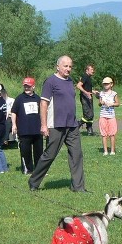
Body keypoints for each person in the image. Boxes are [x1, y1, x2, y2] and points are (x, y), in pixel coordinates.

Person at [28, 56, 87, 193]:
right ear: (58, 66)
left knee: (76, 154)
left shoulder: (70, 81)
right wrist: (43, 125)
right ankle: (34, 181)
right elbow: (43, 103)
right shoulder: (50, 81)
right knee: (50, 155)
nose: (68, 69)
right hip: (55, 124)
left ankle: (78, 187)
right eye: (65, 66)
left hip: (71, 125)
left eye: (70, 66)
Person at [10, 77, 43, 175]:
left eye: (28, 86)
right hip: (24, 130)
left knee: (39, 152)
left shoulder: (38, 98)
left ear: (33, 86)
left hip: (37, 130)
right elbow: (13, 112)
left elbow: (43, 112)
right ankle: (27, 170)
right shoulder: (19, 98)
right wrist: (14, 125)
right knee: (25, 152)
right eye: (25, 86)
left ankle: (39, 170)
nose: (26, 88)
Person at [97, 76, 121, 155]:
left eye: (107, 84)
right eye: (104, 84)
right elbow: (99, 104)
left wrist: (112, 104)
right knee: (104, 134)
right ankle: (105, 151)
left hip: (111, 116)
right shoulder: (101, 93)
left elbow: (118, 104)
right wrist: (101, 102)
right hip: (103, 116)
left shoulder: (114, 94)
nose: (105, 85)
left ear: (111, 84)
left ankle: (112, 151)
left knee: (112, 134)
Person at [76, 64, 96, 136]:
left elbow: (86, 87)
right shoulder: (85, 76)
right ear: (87, 70)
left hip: (89, 97)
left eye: (93, 69)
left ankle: (89, 130)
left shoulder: (88, 77)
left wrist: (93, 91)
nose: (93, 71)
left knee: (91, 114)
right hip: (85, 98)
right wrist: (86, 93)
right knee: (88, 115)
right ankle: (77, 125)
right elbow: (78, 85)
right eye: (91, 69)